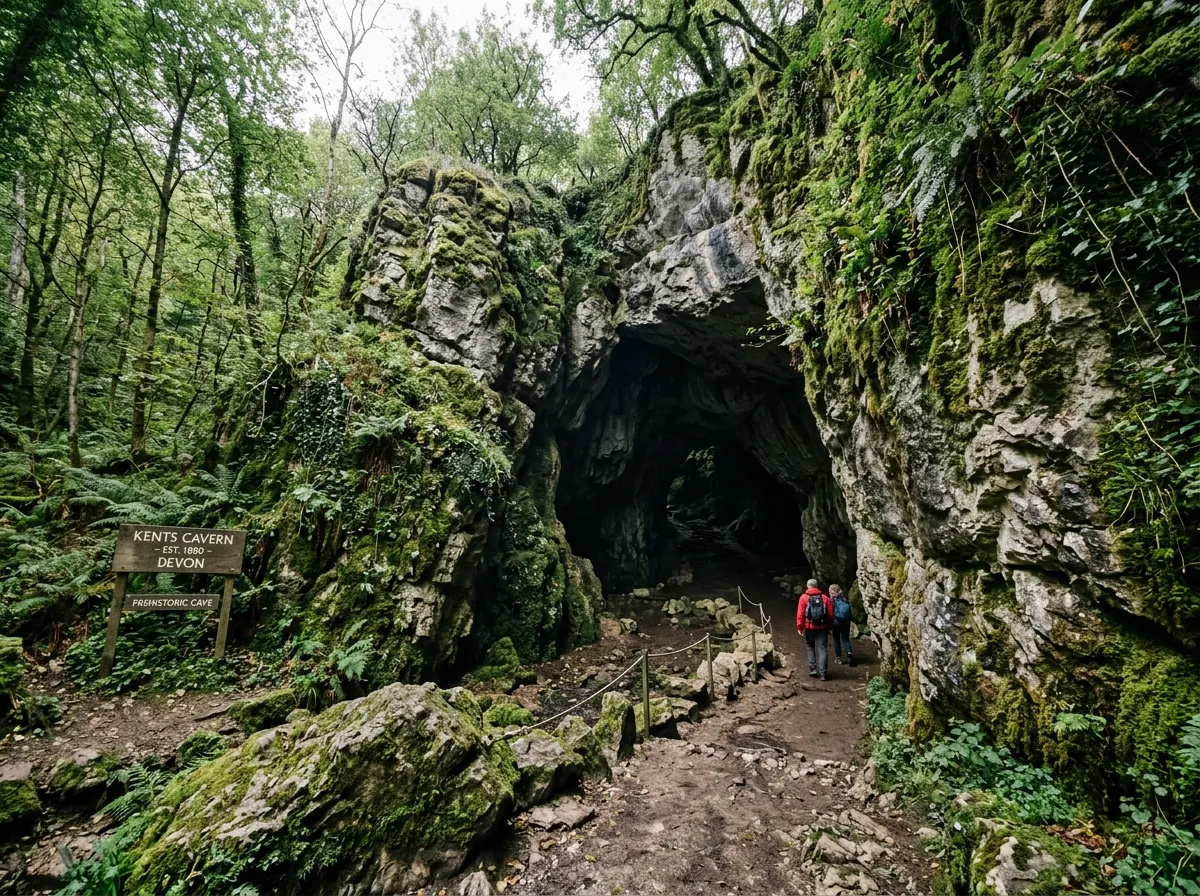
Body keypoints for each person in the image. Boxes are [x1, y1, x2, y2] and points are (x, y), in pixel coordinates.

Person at [796, 578, 834, 681]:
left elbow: (800, 614)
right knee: (822, 649)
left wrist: (800, 627)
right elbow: (830, 615)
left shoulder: (803, 598)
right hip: (822, 628)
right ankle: (823, 673)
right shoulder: (825, 598)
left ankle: (813, 669)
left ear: (808, 586)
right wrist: (830, 627)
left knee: (810, 646)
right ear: (817, 586)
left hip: (809, 627)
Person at [830, 584, 853, 666]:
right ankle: (849, 653)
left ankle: (838, 658)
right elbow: (849, 612)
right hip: (845, 622)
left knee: (836, 639)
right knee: (846, 639)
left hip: (836, 622)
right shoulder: (844, 599)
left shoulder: (831, 600)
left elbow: (830, 613)